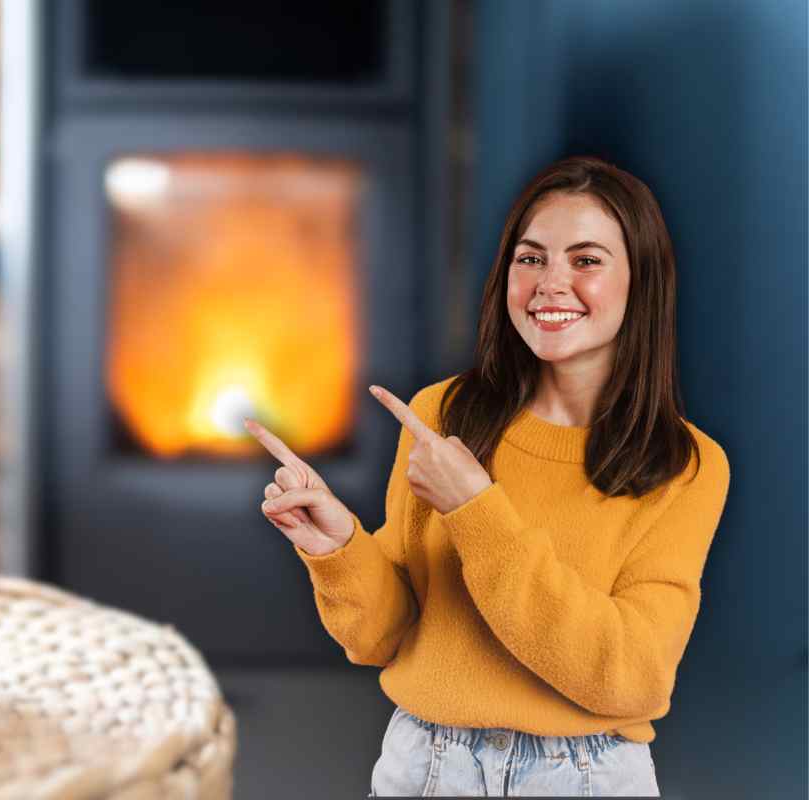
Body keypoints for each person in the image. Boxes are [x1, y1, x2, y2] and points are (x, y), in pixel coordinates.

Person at [243, 155, 730, 797]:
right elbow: (385, 636)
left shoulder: (685, 464)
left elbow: (631, 677)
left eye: (586, 261)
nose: (551, 283)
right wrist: (334, 546)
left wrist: (477, 510)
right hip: (427, 766)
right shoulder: (440, 416)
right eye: (531, 259)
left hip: (585, 775)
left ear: (643, 282)